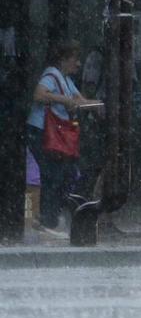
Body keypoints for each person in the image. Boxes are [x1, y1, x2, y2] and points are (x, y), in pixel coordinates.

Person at [26, 40, 100, 232]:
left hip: (53, 134)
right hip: (42, 130)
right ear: (63, 59)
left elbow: (80, 101)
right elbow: (39, 95)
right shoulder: (52, 75)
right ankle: (47, 219)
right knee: (53, 174)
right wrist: (63, 100)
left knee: (63, 173)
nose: (78, 64)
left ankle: (51, 217)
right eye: (75, 59)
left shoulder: (67, 80)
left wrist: (99, 105)